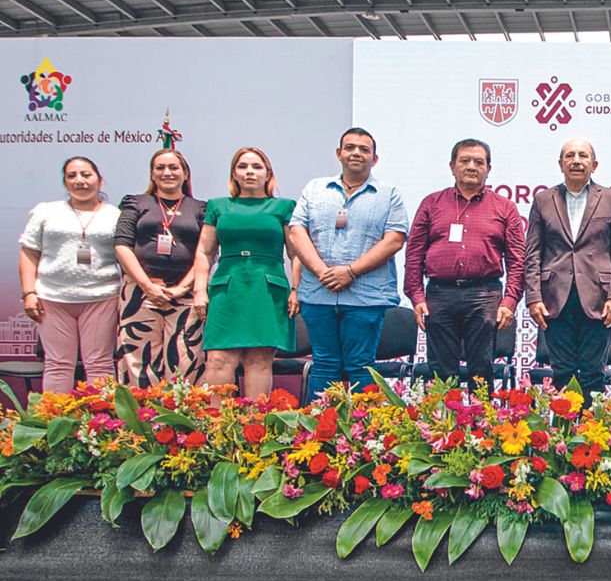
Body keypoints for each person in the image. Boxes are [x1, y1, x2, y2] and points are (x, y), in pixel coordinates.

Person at [289, 128, 407, 399]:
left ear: (374, 159)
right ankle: (318, 432)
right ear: (338, 153)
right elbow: (297, 232)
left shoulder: (388, 194)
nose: (356, 153)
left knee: (361, 364)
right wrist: (322, 272)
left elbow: (394, 240)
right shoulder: (315, 188)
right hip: (319, 294)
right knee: (324, 363)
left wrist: (351, 272)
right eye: (350, 147)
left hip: (365, 298)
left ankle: (366, 435)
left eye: (364, 150)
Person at [403, 139, 525, 391]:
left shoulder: (504, 208)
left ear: (488, 168)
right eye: (465, 161)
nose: (472, 166)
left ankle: (481, 428)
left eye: (479, 162)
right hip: (439, 295)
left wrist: (510, 301)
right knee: (441, 373)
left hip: (484, 295)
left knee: (481, 370)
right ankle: (442, 428)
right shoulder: (431, 204)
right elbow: (414, 255)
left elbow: (517, 260)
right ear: (452, 166)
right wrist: (416, 297)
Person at [525, 137, 611, 401]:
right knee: (562, 374)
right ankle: (563, 438)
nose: (576, 161)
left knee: (593, 373)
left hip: (599, 299)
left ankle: (591, 438)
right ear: (560, 164)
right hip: (554, 300)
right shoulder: (543, 200)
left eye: (583, 156)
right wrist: (533, 297)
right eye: (570, 156)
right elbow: (532, 252)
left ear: (594, 164)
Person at [192, 147, 299, 399]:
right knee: (218, 358)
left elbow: (296, 254)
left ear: (267, 173)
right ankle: (218, 429)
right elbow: (204, 253)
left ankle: (255, 430)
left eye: (256, 166)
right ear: (234, 175)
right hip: (227, 287)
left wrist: (297, 289)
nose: (249, 171)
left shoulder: (283, 206)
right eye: (243, 166)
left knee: (259, 359)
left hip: (267, 288)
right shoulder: (218, 206)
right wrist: (199, 290)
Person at [19, 157, 120, 393]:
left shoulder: (116, 216)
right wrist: (28, 293)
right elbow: (29, 253)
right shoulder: (46, 211)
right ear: (65, 183)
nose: (79, 181)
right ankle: (55, 425)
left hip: (101, 297)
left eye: (86, 174)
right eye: (72, 176)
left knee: (99, 364)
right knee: (57, 365)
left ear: (100, 180)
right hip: (52, 298)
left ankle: (102, 426)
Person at [114, 149, 207, 386]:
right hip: (140, 293)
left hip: (186, 294)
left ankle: (184, 418)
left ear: (185, 173)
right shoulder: (135, 203)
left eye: (174, 167)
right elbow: (122, 246)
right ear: (152, 174)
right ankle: (140, 419)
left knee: (186, 357)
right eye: (160, 168)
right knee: (137, 359)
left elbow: (205, 252)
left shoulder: (200, 208)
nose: (167, 173)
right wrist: (147, 286)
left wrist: (181, 288)